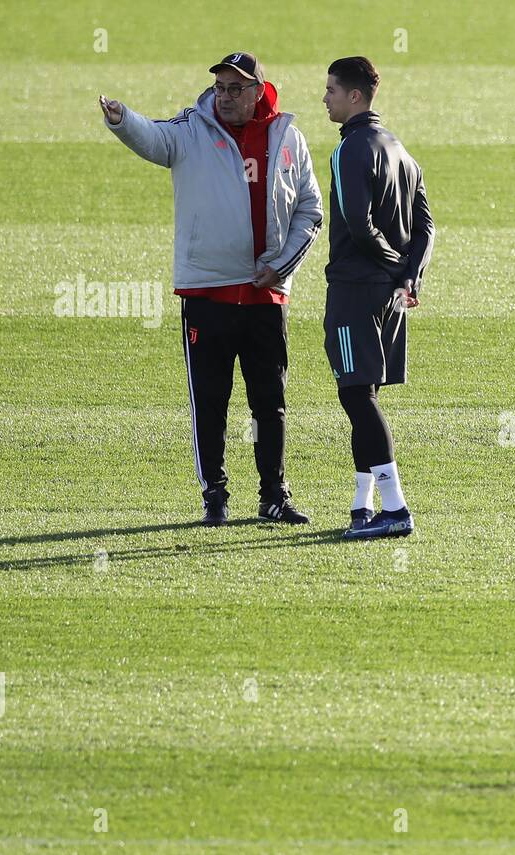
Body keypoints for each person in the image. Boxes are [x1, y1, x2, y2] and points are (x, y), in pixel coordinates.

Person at [99, 52, 323, 526]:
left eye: (235, 88)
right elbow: (156, 139)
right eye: (220, 87)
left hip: (266, 297)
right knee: (210, 401)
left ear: (259, 90)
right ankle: (215, 495)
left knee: (269, 402)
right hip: (207, 295)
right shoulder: (192, 129)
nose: (224, 96)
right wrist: (123, 120)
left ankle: (273, 495)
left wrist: (280, 266)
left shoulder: (287, 137)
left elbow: (310, 209)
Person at [321, 56, 434, 541]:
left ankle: (395, 508)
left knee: (355, 397)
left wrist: (391, 268)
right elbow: (427, 226)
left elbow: (359, 224)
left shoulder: (350, 149)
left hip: (355, 292)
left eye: (330, 89)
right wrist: (411, 277)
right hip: (388, 295)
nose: (324, 97)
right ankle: (362, 505)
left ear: (354, 97)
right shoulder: (400, 150)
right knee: (363, 395)